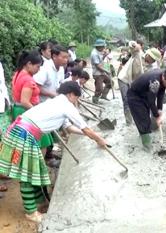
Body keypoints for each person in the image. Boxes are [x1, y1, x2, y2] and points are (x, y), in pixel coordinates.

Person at [0, 81, 107, 223]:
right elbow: (84, 127)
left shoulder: (54, 103)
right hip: (25, 134)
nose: (77, 101)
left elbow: (70, 128)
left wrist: (92, 135)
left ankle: (39, 201)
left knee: (34, 171)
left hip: (19, 130)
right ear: (70, 94)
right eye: (77, 97)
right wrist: (99, 139)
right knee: (27, 174)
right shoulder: (66, 105)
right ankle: (30, 212)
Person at [127, 67, 166, 150]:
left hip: (144, 94)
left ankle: (143, 135)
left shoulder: (165, 76)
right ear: (164, 77)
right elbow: (151, 101)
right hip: (135, 95)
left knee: (146, 118)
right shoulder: (155, 82)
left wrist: (159, 110)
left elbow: (161, 93)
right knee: (143, 119)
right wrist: (157, 116)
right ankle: (147, 146)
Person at [118, 41, 162, 125]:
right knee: (126, 100)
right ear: (148, 55)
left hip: (134, 83)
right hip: (124, 79)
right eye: (153, 59)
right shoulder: (138, 53)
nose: (153, 62)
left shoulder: (150, 67)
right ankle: (129, 123)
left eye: (154, 61)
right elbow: (131, 45)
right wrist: (135, 45)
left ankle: (140, 120)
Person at [0, 60, 10, 198]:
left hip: (2, 108)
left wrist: (7, 101)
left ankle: (1, 172)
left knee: (4, 143)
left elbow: (2, 84)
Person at [90, 39, 112, 104]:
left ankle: (104, 96)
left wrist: (104, 55)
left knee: (110, 82)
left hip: (102, 73)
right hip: (97, 74)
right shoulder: (94, 54)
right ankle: (95, 99)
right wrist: (107, 71)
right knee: (99, 88)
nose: (104, 48)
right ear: (99, 46)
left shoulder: (99, 52)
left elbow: (101, 60)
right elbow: (98, 66)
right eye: (103, 46)